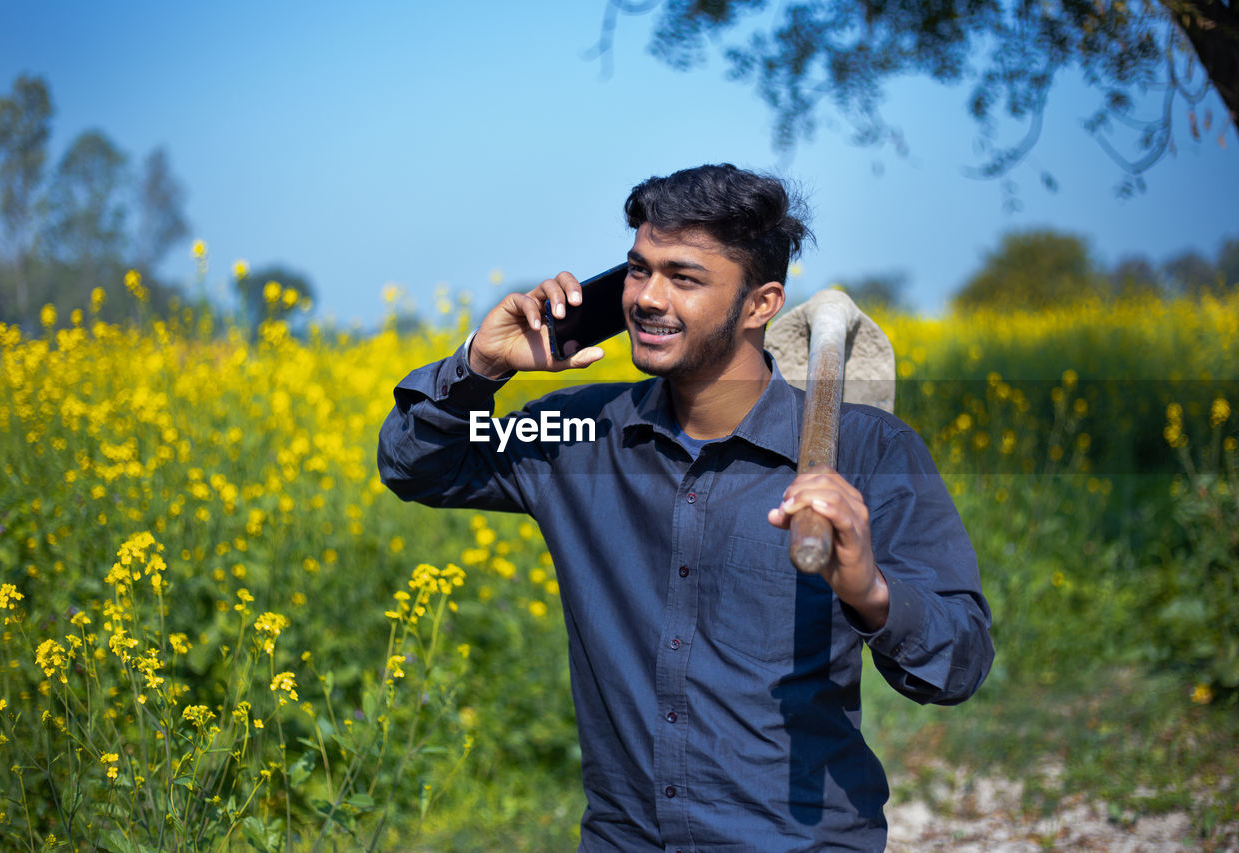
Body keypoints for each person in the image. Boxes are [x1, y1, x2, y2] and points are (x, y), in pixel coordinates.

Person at [378, 163, 993, 852]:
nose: (647, 297)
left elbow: (959, 662)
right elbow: (414, 465)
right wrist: (480, 367)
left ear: (762, 304)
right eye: (638, 270)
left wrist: (870, 590)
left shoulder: (869, 450)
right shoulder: (577, 433)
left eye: (684, 277)